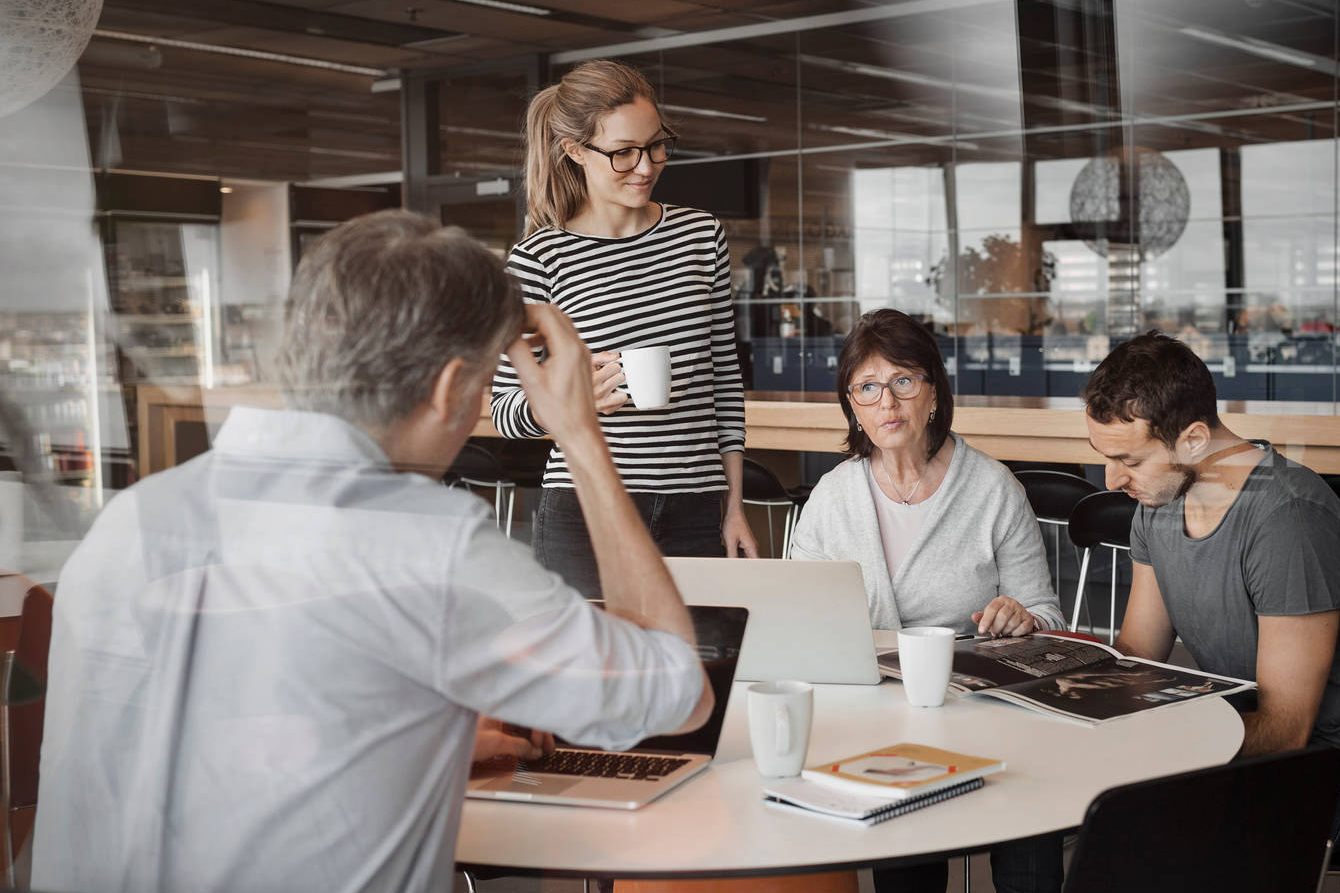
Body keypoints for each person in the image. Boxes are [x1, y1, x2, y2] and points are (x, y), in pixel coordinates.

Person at [31, 210, 714, 893]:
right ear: (449, 391)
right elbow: (678, 694)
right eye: (480, 389)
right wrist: (579, 435)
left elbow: (174, 752)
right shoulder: (429, 542)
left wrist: (411, 730)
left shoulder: (132, 521)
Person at [1080, 330, 1340, 852]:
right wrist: (1053, 670)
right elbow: (1138, 655)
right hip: (1236, 739)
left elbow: (1286, 730)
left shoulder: (1288, 519)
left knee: (1141, 829)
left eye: (1131, 460)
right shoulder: (1158, 505)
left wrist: (1160, 741)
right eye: (1104, 456)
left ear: (1192, 440)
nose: (1111, 479)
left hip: (1336, 770)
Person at [789, 308, 1065, 893]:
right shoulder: (831, 497)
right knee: (905, 850)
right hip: (878, 719)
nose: (886, 403)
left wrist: (1024, 617)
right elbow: (799, 625)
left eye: (903, 381)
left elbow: (1048, 618)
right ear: (851, 405)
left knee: (1030, 816)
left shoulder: (993, 489)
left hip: (985, 711)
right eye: (867, 387)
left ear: (933, 392)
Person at [490, 59, 756, 597]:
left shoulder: (701, 236)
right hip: (587, 509)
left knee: (700, 672)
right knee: (592, 677)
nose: (645, 166)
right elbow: (504, 413)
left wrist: (734, 507)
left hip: (698, 509)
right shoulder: (539, 257)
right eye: (622, 152)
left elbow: (723, 381)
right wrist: (574, 402)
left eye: (657, 146)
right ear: (574, 151)